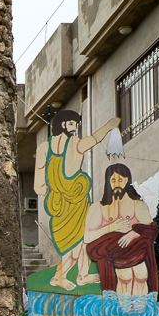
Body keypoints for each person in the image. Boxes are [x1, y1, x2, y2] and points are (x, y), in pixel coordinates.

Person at [33, 110, 122, 290]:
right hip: (71, 199)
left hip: (63, 201)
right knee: (73, 244)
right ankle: (59, 277)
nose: (75, 128)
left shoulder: (44, 148)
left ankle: (83, 274)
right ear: (63, 124)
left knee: (83, 239)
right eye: (73, 124)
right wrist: (108, 126)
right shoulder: (74, 143)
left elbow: (39, 186)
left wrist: (50, 188)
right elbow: (95, 138)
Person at [84, 163, 159, 296]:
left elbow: (151, 230)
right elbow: (88, 237)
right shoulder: (98, 207)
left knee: (140, 276)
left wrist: (135, 233)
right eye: (113, 180)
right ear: (108, 182)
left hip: (137, 250)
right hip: (110, 253)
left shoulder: (138, 205)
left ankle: (144, 304)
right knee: (124, 278)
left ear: (127, 180)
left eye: (120, 179)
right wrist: (112, 227)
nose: (117, 183)